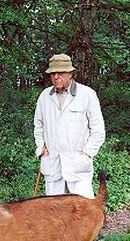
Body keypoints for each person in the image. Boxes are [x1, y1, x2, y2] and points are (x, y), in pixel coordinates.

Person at [34, 53, 105, 198]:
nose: (56, 77)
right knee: (54, 212)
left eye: (61, 73)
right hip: (52, 163)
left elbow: (98, 130)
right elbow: (38, 126)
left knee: (82, 211)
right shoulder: (44, 97)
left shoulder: (87, 95)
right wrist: (41, 149)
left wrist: (86, 153)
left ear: (71, 73)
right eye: (53, 73)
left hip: (78, 164)